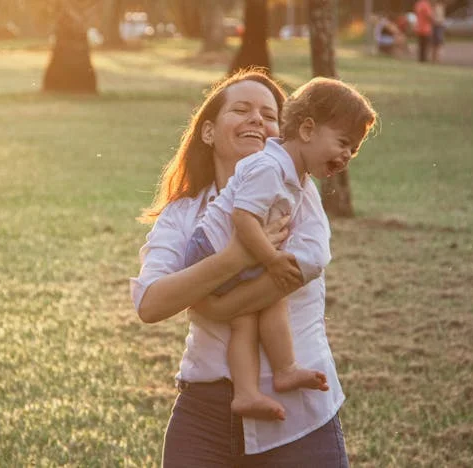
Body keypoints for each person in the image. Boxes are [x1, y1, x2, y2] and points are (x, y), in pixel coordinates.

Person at [132, 68, 373, 466]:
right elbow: (151, 304)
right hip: (205, 414)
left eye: (269, 114)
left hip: (297, 417)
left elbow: (302, 266)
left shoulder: (299, 197)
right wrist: (236, 259)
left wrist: (212, 305)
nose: (257, 120)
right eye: (241, 109)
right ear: (208, 132)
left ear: (288, 132)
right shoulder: (183, 214)